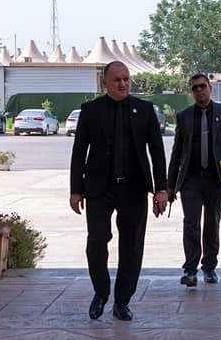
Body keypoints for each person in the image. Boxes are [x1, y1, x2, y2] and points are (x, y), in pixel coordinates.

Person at [69, 61, 168, 321]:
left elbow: (157, 152)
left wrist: (161, 189)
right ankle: (101, 292)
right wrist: (76, 190)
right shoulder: (90, 110)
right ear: (105, 83)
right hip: (99, 188)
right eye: (117, 80)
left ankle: (122, 301)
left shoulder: (144, 110)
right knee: (96, 241)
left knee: (132, 246)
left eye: (126, 79)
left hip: (134, 188)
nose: (123, 84)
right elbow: (79, 151)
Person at [167, 73, 221, 286]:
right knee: (191, 222)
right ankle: (190, 270)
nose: (199, 90)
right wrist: (170, 185)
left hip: (216, 178)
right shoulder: (184, 116)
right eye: (195, 87)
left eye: (203, 86)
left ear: (210, 88)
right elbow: (176, 152)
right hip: (191, 179)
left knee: (212, 223)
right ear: (191, 91)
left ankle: (209, 267)